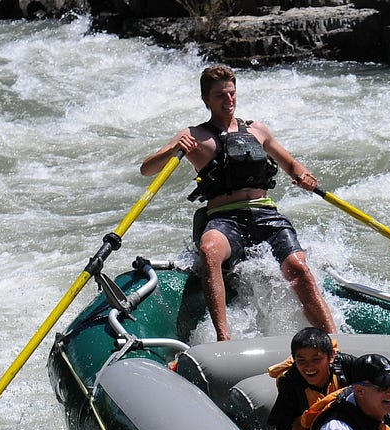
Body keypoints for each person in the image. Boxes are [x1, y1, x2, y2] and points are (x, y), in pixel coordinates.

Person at [140, 64, 336, 341]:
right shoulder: (195, 136)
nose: (228, 100)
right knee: (209, 251)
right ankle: (224, 338)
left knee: (299, 268)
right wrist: (175, 149)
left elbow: (291, 164)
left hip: (265, 214)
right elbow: (147, 169)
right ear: (206, 99)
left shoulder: (258, 130)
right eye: (220, 95)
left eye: (231, 93)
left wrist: (303, 174)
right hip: (224, 219)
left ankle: (333, 339)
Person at [266, 327, 359, 430]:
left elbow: (375, 381)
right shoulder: (291, 386)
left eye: (316, 359)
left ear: (331, 357)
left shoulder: (346, 366)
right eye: (301, 361)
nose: (308, 367)